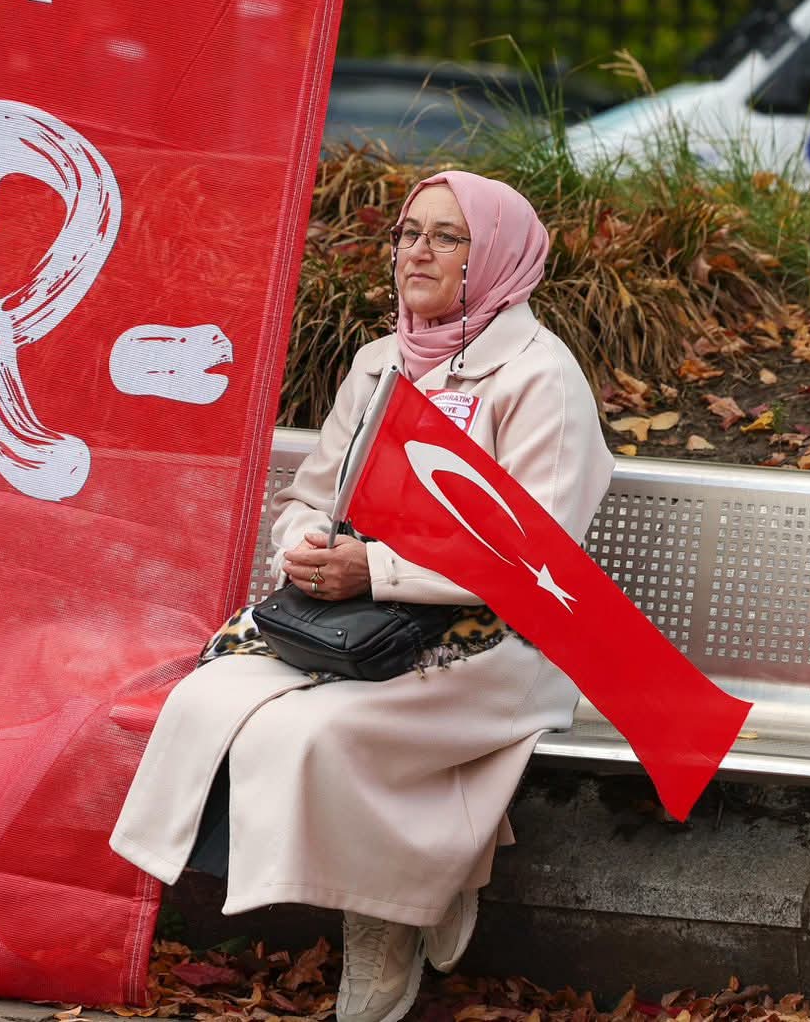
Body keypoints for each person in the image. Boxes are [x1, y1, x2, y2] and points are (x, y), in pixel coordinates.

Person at [109, 171, 614, 1022]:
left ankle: (386, 918)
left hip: (501, 635)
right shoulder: (381, 361)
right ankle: (434, 874)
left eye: (446, 237)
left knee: (319, 731)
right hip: (358, 619)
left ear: (495, 256)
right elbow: (312, 495)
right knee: (204, 697)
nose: (418, 251)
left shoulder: (539, 376)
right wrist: (307, 547)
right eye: (408, 233)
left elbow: (536, 559)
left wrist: (375, 571)